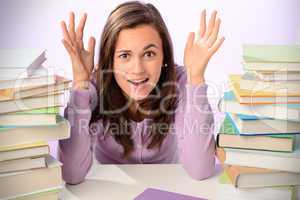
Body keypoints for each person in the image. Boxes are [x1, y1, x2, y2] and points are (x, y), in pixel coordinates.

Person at [59, 1, 224, 185]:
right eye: (124, 56)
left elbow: (200, 169)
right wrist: (80, 84)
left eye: (149, 54)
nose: (137, 70)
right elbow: (71, 174)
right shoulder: (96, 87)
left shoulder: (179, 83)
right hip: (111, 190)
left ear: (164, 56)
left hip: (168, 187)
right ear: (110, 60)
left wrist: (196, 78)